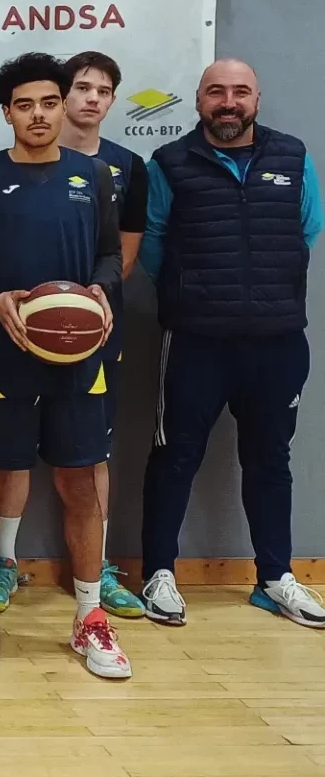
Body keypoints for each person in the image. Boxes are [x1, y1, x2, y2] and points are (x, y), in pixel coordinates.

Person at [0, 52, 130, 679]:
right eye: (25, 104)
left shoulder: (94, 174)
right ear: (5, 112)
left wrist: (103, 288)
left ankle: (89, 617)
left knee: (79, 483)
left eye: (50, 102)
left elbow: (109, 253)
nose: (40, 114)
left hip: (80, 352)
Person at [139, 58, 324, 630]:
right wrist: (194, 291)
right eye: (216, 91)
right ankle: (158, 574)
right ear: (198, 101)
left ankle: (274, 578)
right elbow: (151, 245)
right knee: (174, 458)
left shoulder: (292, 158)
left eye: (240, 91)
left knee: (271, 460)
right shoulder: (169, 163)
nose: (228, 101)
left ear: (257, 99)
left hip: (277, 342)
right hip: (195, 340)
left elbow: (308, 229)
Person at [58, 51, 149, 620]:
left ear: (113, 100)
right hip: (26, 328)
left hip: (96, 327)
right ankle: (4, 561)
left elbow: (126, 256)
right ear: (62, 95)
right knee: (10, 457)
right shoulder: (27, 159)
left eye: (103, 90)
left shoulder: (127, 167)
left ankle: (99, 568)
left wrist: (82, 304)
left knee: (93, 453)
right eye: (82, 87)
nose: (91, 97)